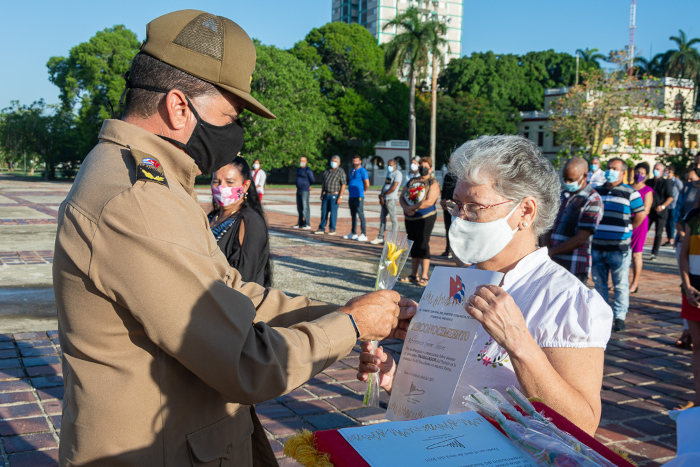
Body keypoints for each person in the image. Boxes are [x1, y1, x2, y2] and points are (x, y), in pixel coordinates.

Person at [53, 10, 417, 466]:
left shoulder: (156, 180)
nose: (235, 137)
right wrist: (352, 327)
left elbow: (228, 292)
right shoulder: (136, 200)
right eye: (230, 116)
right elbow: (246, 363)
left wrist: (348, 310)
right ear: (179, 106)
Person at [358, 135, 612, 436]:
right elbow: (447, 397)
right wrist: (396, 381)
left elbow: (583, 426)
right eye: (457, 206)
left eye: (474, 207)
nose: (460, 219)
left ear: (525, 212)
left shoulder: (566, 300)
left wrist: (518, 343)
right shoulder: (454, 284)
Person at [591, 158, 645, 332]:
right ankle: (602, 315)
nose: (610, 171)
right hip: (598, 245)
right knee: (599, 284)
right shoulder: (596, 191)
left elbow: (640, 216)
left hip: (619, 247)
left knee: (620, 284)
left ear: (623, 173)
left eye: (615, 168)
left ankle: (620, 316)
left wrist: (627, 230)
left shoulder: (631, 193)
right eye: (609, 167)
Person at [209, 157, 272, 287]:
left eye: (230, 182)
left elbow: (245, 280)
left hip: (229, 302)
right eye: (216, 181)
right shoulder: (212, 217)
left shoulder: (249, 222)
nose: (221, 187)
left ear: (246, 186)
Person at [546, 156, 603, 283]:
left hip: (574, 264)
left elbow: (581, 238)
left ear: (584, 176)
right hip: (551, 262)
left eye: (571, 180)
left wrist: (551, 252)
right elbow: (547, 226)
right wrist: (547, 250)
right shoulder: (560, 195)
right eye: (565, 179)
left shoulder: (593, 199)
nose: (567, 182)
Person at [399, 156, 439, 286]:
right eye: (421, 166)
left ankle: (424, 275)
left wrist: (411, 207)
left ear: (430, 168)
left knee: (423, 244)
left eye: (426, 166)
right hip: (410, 217)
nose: (423, 168)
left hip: (425, 217)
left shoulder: (433, 183)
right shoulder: (412, 181)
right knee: (413, 245)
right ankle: (413, 274)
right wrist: (406, 208)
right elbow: (402, 197)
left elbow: (429, 201)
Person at [676, 201, 700, 410]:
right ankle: (698, 396)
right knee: (697, 345)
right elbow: (684, 253)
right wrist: (687, 285)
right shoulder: (693, 215)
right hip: (693, 291)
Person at [629, 162, 654, 294]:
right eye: (637, 172)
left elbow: (646, 210)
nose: (639, 175)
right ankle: (622, 281)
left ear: (646, 175)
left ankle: (635, 283)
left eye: (642, 173)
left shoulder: (648, 190)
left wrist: (634, 224)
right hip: (626, 221)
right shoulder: (627, 188)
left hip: (639, 223)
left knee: (636, 254)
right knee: (623, 254)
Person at [646, 163, 674, 260]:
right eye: (654, 168)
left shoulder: (666, 183)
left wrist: (662, 206)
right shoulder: (649, 182)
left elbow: (670, 197)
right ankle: (638, 248)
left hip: (660, 212)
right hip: (649, 211)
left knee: (658, 233)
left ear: (662, 171)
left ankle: (654, 253)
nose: (655, 170)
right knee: (644, 230)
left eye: (658, 169)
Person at [371, 158, 402, 244]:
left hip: (391, 198)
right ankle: (380, 236)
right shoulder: (389, 173)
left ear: (395, 165)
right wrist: (381, 195)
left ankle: (394, 239)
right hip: (385, 198)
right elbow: (386, 184)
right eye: (388, 165)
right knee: (382, 218)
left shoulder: (397, 174)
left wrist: (384, 194)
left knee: (393, 219)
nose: (389, 167)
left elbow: (393, 187)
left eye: (390, 165)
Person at [315, 155, 347, 235]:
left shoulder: (340, 171)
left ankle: (332, 229)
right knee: (324, 212)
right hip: (326, 194)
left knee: (333, 212)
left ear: (339, 163)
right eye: (332, 161)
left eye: (335, 161)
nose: (333, 163)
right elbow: (324, 183)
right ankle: (321, 228)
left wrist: (340, 196)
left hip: (334, 195)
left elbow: (343, 184)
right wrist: (322, 193)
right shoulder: (327, 170)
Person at [344, 154, 369, 241]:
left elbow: (367, 183)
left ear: (360, 161)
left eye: (357, 161)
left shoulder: (363, 171)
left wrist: (363, 191)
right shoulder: (352, 171)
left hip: (359, 196)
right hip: (351, 195)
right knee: (353, 214)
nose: (355, 162)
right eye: (354, 161)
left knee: (360, 214)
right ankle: (353, 232)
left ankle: (363, 233)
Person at [440, 171, 458, 258]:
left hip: (454, 204)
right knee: (448, 227)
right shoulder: (448, 175)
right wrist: (443, 201)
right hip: (447, 203)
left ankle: (454, 251)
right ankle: (448, 249)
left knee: (454, 227)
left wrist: (447, 202)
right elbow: (444, 189)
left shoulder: (460, 174)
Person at [664, 166, 683, 246]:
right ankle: (668, 239)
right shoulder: (666, 182)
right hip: (666, 205)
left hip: (674, 205)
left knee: (671, 222)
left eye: (667, 171)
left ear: (671, 172)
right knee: (666, 223)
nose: (666, 173)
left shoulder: (677, 181)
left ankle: (671, 239)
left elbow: (682, 191)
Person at [294, 156, 315, 229]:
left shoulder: (308, 170)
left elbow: (312, 179)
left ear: (306, 162)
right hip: (299, 190)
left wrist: (308, 185)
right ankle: (300, 223)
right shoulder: (299, 169)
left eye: (303, 161)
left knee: (305, 207)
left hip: (305, 190)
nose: (301, 162)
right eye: (300, 160)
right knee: (299, 207)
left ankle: (307, 223)